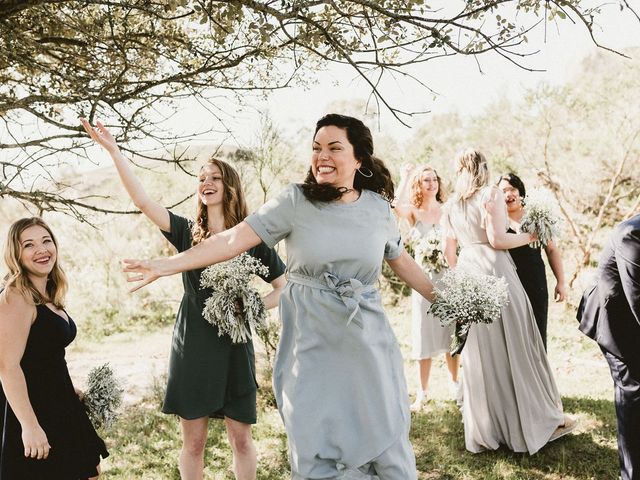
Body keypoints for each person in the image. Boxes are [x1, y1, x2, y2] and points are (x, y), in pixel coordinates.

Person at [121, 113, 436, 479]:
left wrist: (447, 300)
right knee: (317, 442)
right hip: (311, 345)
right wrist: (168, 265)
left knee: (383, 438)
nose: (323, 156)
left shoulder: (379, 209)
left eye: (335, 148)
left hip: (366, 345)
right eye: (317, 148)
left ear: (359, 158)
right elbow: (230, 240)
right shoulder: (295, 201)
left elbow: (401, 261)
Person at [81, 119, 286, 480]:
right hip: (193, 346)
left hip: (236, 348)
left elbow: (285, 288)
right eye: (201, 178)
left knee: (242, 440)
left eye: (215, 177)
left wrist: (250, 308)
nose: (206, 183)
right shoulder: (186, 233)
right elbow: (143, 201)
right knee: (193, 443)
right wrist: (115, 153)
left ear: (230, 186)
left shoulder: (252, 237)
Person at [441, 148, 575, 455]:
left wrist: (460, 277)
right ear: (483, 168)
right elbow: (498, 239)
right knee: (518, 346)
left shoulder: (451, 205)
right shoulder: (489, 194)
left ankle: (488, 430)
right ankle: (533, 420)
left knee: (482, 357)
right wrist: (530, 237)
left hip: (468, 272)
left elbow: (451, 252)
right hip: (494, 271)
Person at [0, 217, 109, 480]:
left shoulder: (47, 293)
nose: (41, 250)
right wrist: (30, 426)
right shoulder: (17, 296)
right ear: (16, 254)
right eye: (29, 244)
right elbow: (7, 366)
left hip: (60, 402)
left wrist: (67, 388)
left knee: (89, 470)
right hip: (33, 410)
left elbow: (41, 355)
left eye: (46, 241)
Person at [577, 214, 640, 480]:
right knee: (633, 390)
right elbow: (637, 298)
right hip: (616, 319)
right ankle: (631, 473)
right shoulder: (632, 234)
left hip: (631, 310)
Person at [395, 164, 460, 409]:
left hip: (448, 279)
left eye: (434, 179)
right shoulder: (414, 212)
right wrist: (405, 177)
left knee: (452, 332)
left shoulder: (446, 211)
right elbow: (395, 207)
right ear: (419, 186)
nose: (431, 184)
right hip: (423, 281)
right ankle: (422, 392)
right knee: (424, 333)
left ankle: (455, 383)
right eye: (425, 181)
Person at [497, 173, 566, 348]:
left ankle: (539, 372)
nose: (508, 194)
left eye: (512, 189)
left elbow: (551, 250)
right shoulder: (496, 221)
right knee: (514, 334)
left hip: (535, 281)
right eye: (503, 191)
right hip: (507, 282)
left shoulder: (535, 216)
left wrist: (561, 282)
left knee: (537, 329)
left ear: (520, 191)